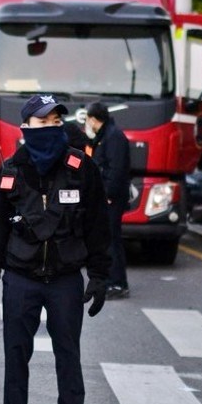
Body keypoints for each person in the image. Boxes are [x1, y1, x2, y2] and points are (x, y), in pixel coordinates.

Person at [0, 94, 110, 404]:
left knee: (69, 355)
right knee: (16, 354)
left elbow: (99, 224)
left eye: (56, 122)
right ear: (26, 128)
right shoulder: (11, 172)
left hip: (66, 277)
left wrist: (99, 275)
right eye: (43, 122)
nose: (51, 128)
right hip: (22, 276)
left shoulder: (81, 168)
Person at [84, 102, 131, 299]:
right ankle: (111, 280)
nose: (87, 123)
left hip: (111, 198)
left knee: (111, 239)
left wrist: (108, 195)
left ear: (94, 119)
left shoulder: (113, 137)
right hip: (106, 197)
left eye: (87, 119)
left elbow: (115, 170)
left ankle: (117, 283)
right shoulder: (105, 136)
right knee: (108, 239)